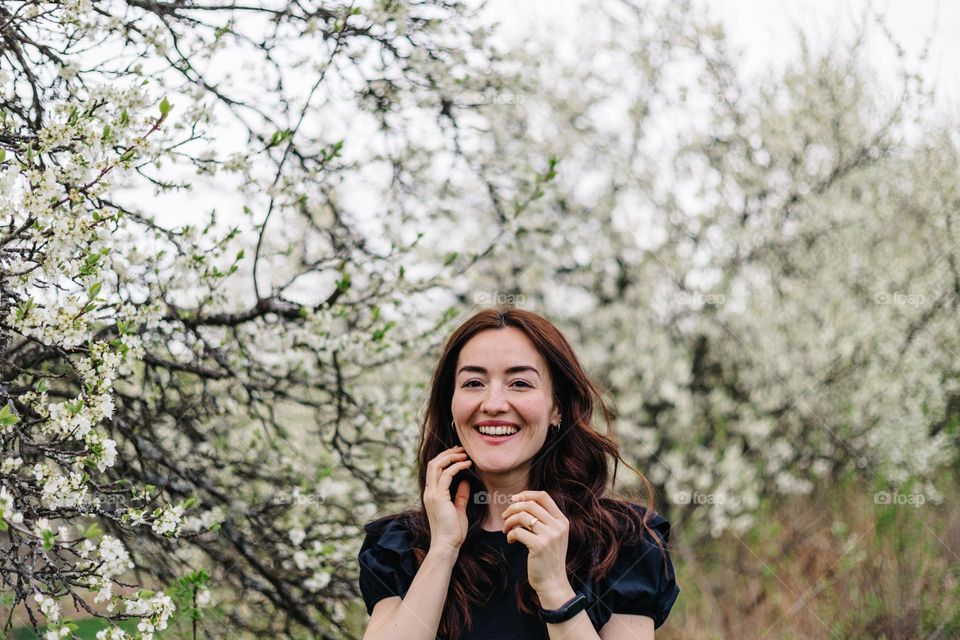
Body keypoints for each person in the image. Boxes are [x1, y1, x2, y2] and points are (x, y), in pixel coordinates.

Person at [358, 306, 680, 639]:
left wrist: (555, 586)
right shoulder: (401, 546)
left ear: (557, 408)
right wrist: (443, 550)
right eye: (473, 382)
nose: (494, 403)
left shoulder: (622, 543)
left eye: (520, 383)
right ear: (451, 405)